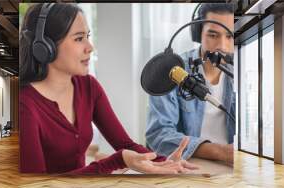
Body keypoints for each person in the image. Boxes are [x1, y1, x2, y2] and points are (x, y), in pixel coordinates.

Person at [19, 3, 198, 174]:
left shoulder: (88, 86)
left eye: (87, 37)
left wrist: (162, 162)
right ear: (44, 47)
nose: (90, 47)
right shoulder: (25, 105)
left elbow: (125, 144)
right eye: (79, 38)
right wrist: (116, 161)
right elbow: (36, 187)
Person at [146, 3, 235, 165]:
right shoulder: (172, 71)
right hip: (187, 163)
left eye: (230, 36)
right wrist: (221, 152)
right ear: (198, 33)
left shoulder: (243, 71)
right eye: (213, 35)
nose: (222, 45)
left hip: (233, 164)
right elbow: (159, 134)